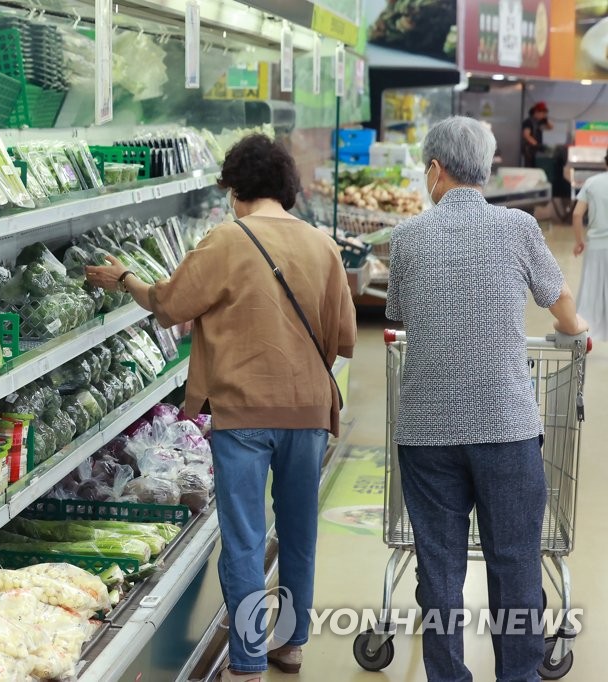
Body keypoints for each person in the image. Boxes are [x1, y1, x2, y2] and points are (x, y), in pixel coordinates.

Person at [85, 134, 356, 681]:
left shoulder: (225, 241)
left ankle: (249, 661)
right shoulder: (323, 246)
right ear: (286, 187)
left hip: (243, 413)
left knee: (244, 536)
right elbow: (344, 336)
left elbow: (168, 305)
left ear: (236, 188)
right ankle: (292, 643)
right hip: (306, 411)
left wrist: (124, 280)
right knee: (299, 531)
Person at [386, 116, 587, 682]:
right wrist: (577, 329)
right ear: (487, 167)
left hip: (427, 430)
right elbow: (561, 306)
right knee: (515, 564)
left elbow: (400, 314)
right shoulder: (518, 228)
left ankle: (449, 675)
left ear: (434, 170)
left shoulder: (407, 237)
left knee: (441, 569)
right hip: (506, 425)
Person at [571, 150, 608, 340]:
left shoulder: (592, 182)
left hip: (595, 246)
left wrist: (579, 242)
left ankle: (586, 332)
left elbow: (577, 214)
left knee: (591, 290)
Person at [522, 101, 553, 167]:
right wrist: (536, 144)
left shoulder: (539, 122)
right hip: (529, 150)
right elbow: (526, 135)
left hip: (537, 150)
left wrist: (546, 120)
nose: (543, 115)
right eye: (542, 113)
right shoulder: (528, 122)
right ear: (536, 112)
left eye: (545, 114)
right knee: (530, 168)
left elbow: (550, 127)